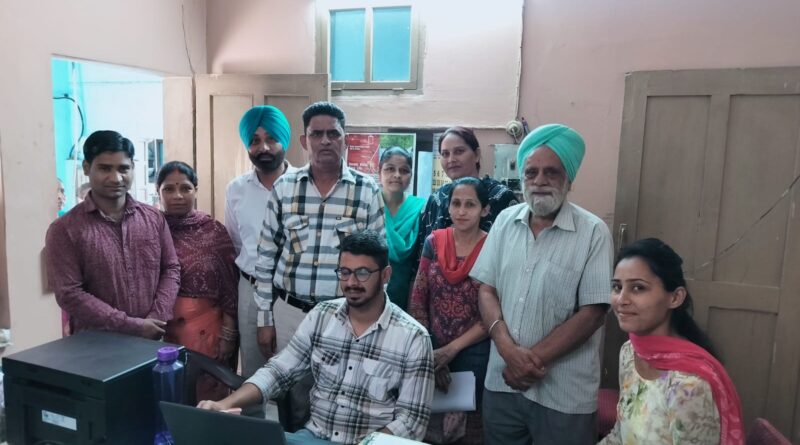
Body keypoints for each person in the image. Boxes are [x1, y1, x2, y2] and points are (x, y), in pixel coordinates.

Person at [199, 230, 434, 444]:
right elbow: (279, 371)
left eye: (363, 273)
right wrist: (223, 404)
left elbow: (412, 422)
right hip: (313, 437)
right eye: (344, 272)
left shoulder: (413, 337)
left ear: (385, 275)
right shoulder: (322, 315)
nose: (351, 282)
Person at [470, 124, 613, 445]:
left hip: (563, 394)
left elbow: (593, 313)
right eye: (531, 172)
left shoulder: (593, 232)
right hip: (503, 382)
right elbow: (486, 289)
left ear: (569, 180)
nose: (539, 181)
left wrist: (526, 363)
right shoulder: (505, 221)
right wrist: (508, 351)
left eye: (551, 172)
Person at [253, 101, 385, 431]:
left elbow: (377, 263)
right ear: (304, 140)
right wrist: (264, 319)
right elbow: (266, 256)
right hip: (290, 314)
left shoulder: (367, 191)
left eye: (333, 134)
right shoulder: (284, 188)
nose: (325, 140)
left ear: (345, 139)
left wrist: (371, 321)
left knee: (342, 397)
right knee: (291, 397)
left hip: (344, 315)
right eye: (317, 134)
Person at [599, 238, 744, 445]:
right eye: (616, 287)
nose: (621, 299)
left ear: (675, 297)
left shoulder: (689, 386)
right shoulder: (629, 353)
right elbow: (620, 434)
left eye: (638, 288)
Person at [45, 130, 180, 338]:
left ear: (133, 168)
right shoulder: (64, 229)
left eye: (123, 168)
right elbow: (69, 294)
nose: (116, 178)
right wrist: (133, 326)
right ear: (87, 168)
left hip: (152, 338)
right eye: (105, 168)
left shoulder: (154, 218)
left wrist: (156, 317)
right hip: (95, 344)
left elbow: (171, 268)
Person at [410, 177, 491, 444]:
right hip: (432, 347)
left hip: (475, 351)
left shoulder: (493, 247)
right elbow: (418, 298)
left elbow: (493, 313)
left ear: (485, 210)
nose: (461, 211)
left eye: (470, 204)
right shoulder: (434, 242)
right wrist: (432, 352)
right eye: (456, 203)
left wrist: (451, 350)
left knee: (470, 430)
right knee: (430, 427)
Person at [157, 161, 239, 402]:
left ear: (196, 190)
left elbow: (230, 287)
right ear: (158, 192)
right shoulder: (150, 230)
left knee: (206, 397)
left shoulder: (213, 231)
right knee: (167, 394)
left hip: (206, 333)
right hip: (159, 332)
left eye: (185, 188)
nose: (178, 196)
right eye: (169, 189)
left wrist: (228, 335)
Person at [224, 105, 293, 381]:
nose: (263, 147)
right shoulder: (236, 190)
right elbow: (236, 243)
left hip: (292, 296)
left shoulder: (304, 185)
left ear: (284, 141)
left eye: (271, 138)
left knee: (295, 372)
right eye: (254, 140)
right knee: (253, 374)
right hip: (250, 290)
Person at [418, 126, 517, 256]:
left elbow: (514, 251)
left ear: (476, 155)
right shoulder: (436, 200)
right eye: (445, 154)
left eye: (459, 151)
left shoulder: (501, 196)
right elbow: (422, 255)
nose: (451, 159)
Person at [379, 147, 425, 309]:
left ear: (411, 175)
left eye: (404, 170)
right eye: (390, 169)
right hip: (371, 292)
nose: (397, 175)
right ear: (379, 172)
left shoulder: (421, 209)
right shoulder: (370, 205)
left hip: (409, 294)